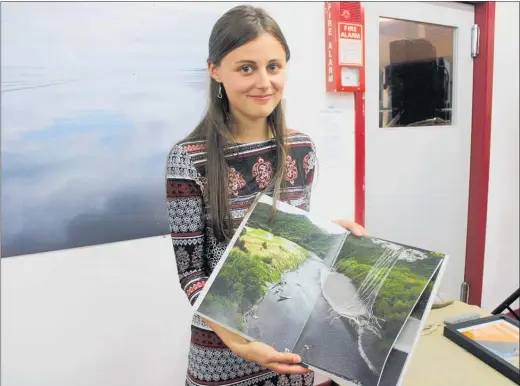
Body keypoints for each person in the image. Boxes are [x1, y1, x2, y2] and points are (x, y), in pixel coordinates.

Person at [165, 5, 367, 386]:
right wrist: (239, 343)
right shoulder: (189, 160)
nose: (264, 81)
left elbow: (290, 244)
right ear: (215, 70)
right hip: (221, 356)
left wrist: (326, 236)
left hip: (291, 344)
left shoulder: (301, 148)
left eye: (273, 67)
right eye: (246, 68)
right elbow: (191, 273)